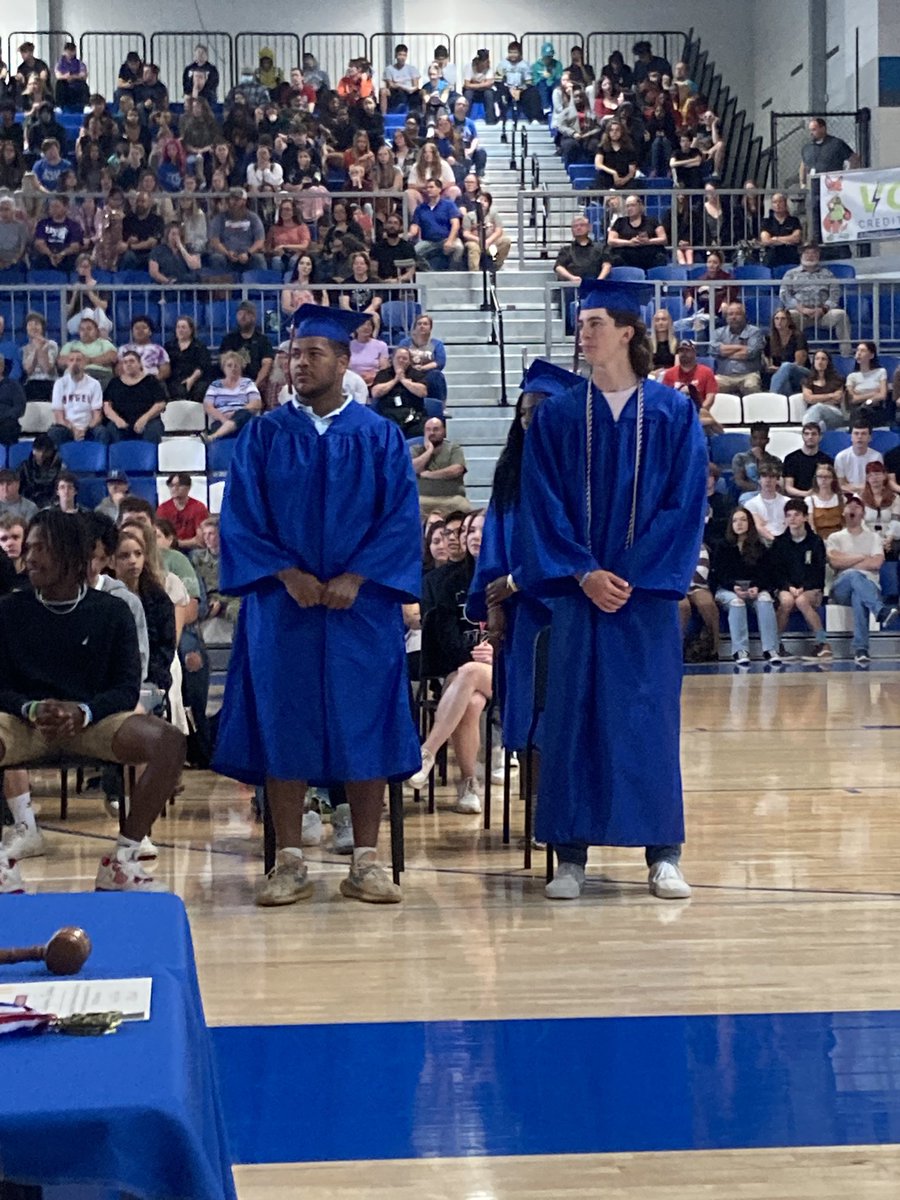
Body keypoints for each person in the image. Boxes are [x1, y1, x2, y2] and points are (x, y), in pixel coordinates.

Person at [214, 305, 421, 906]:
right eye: (292, 354)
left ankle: (366, 861)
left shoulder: (378, 435)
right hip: (284, 608)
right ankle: (288, 860)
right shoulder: (265, 433)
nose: (298, 364)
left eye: (311, 354)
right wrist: (285, 574)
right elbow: (241, 517)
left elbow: (401, 520)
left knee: (366, 726)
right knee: (286, 725)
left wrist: (359, 576)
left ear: (340, 361)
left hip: (363, 610)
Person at [517, 278, 707, 901]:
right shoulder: (560, 416)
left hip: (644, 600)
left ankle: (663, 854)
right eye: (581, 321)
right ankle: (570, 855)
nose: (584, 330)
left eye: (595, 320)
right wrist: (583, 572)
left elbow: (684, 506)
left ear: (628, 330)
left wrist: (627, 574)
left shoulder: (675, 414)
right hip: (579, 596)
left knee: (647, 718)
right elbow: (540, 504)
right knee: (572, 716)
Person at [0, 509, 185, 895]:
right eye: (28, 548)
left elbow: (125, 689)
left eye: (40, 548)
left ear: (70, 554)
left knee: (168, 741)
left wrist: (83, 712)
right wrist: (31, 708)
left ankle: (124, 860)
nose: (28, 558)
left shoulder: (113, 610)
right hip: (25, 720)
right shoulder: (10, 610)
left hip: (93, 720)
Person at [466, 360, 579, 773]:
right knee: (527, 710)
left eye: (541, 411)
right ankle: (537, 814)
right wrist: (495, 603)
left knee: (566, 709)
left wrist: (517, 581)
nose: (531, 421)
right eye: (524, 414)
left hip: (570, 605)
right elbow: (494, 541)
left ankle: (567, 815)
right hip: (524, 615)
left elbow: (573, 546)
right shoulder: (510, 473)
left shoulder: (580, 474)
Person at [407, 509, 491, 814]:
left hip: (508, 670)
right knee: (470, 700)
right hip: (466, 669)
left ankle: (427, 751)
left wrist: (496, 649)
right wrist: (472, 655)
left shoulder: (508, 575)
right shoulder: (447, 580)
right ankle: (469, 783)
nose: (474, 537)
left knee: (467, 675)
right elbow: (444, 636)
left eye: (482, 530)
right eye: (469, 531)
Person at [826, 494, 893, 667]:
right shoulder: (835, 537)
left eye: (857, 507)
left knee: (859, 596)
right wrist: (862, 557)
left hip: (869, 586)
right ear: (843, 512)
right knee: (854, 577)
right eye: (849, 507)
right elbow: (834, 562)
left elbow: (877, 563)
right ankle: (879, 610)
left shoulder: (874, 537)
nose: (853, 509)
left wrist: (847, 560)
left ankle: (861, 649)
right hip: (841, 587)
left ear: (863, 513)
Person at [711, 507, 780, 666]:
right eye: (735, 520)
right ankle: (740, 650)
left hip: (754, 588)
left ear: (749, 523)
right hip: (728, 588)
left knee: (765, 600)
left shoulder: (759, 547)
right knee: (737, 603)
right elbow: (719, 574)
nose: (739, 524)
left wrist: (757, 587)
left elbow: (766, 573)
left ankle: (771, 649)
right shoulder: (723, 546)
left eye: (743, 520)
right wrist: (733, 587)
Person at [767, 499, 830, 659]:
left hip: (811, 588)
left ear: (805, 517)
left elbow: (818, 570)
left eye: (796, 515)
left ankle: (823, 643)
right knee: (787, 601)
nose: (792, 518)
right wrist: (788, 587)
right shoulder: (779, 542)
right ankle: (776, 645)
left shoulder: (815, 542)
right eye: (789, 515)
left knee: (802, 601)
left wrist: (804, 587)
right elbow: (776, 571)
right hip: (786, 587)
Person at [779, 243, 852, 358]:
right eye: (807, 253)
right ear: (801, 255)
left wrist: (823, 309)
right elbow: (784, 294)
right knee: (786, 317)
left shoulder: (827, 274)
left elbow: (835, 295)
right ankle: (790, 356)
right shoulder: (791, 274)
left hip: (824, 313)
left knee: (841, 315)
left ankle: (847, 356)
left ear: (818, 255)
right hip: (800, 313)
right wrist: (801, 309)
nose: (810, 256)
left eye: (814, 253)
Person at [102, 351, 167, 444]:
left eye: (132, 361)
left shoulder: (151, 381)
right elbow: (107, 405)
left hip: (147, 422)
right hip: (122, 423)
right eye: (125, 362)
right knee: (111, 428)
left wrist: (144, 419)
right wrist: (117, 420)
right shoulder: (114, 383)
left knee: (155, 428)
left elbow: (160, 404)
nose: (128, 364)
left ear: (140, 364)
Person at [409, 416, 468, 514]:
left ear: (444, 431)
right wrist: (429, 451)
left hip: (452, 499)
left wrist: (428, 474)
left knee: (464, 507)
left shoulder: (453, 448)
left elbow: (456, 470)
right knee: (410, 510)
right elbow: (413, 468)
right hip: (422, 500)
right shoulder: (415, 449)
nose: (432, 433)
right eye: (428, 430)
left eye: (436, 429)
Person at [203, 350, 263, 442]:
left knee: (243, 415)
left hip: (243, 420)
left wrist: (235, 414)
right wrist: (224, 419)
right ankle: (222, 433)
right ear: (224, 368)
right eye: (229, 365)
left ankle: (214, 436)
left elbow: (256, 403)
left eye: (236, 366)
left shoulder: (247, 383)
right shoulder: (215, 385)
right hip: (221, 419)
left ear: (241, 368)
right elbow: (208, 406)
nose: (233, 369)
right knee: (220, 427)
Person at [49, 350, 104, 446]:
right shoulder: (60, 383)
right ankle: (59, 460)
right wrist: (73, 429)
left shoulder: (94, 384)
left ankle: (100, 460)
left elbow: (97, 416)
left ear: (84, 363)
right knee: (54, 432)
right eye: (71, 360)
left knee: (102, 432)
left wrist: (84, 430)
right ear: (67, 364)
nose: (75, 363)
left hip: (89, 427)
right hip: (67, 427)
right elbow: (59, 416)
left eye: (78, 360)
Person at [370, 347, 428, 438]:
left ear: (409, 361)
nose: (401, 360)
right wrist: (395, 380)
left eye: (405, 358)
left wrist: (404, 380)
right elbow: (375, 393)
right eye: (398, 358)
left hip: (413, 417)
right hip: (388, 416)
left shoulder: (416, 374)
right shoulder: (383, 374)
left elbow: (422, 392)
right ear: (392, 359)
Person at [711, 302, 766, 397]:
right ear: (726, 317)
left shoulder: (754, 331)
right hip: (724, 376)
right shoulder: (718, 333)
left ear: (744, 316)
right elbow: (718, 350)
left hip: (748, 374)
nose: (734, 317)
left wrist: (726, 352)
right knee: (711, 386)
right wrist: (741, 347)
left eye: (737, 314)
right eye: (730, 314)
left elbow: (750, 353)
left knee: (751, 385)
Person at [409, 177, 463, 271]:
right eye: (427, 188)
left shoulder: (448, 205)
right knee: (414, 252)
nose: (428, 190)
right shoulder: (421, 208)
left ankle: (452, 273)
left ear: (439, 189)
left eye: (431, 187)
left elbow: (455, 224)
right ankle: (430, 272)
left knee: (459, 247)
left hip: (446, 238)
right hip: (429, 241)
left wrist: (450, 241)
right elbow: (415, 226)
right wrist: (408, 234)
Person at [218, 301, 274, 392]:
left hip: (256, 383)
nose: (243, 317)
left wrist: (255, 385)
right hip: (232, 383)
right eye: (240, 313)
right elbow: (224, 363)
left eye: (247, 313)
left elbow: (267, 364)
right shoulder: (229, 339)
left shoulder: (263, 340)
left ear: (254, 317)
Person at [553, 215, 611, 286]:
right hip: (573, 286)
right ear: (572, 230)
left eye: (582, 225)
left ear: (589, 227)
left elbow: (607, 265)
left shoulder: (601, 247)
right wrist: (572, 278)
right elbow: (558, 267)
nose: (578, 228)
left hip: (596, 285)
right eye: (575, 226)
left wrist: (599, 281)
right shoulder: (565, 250)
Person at [157, 473, 210, 549]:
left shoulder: (198, 507)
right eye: (171, 485)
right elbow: (159, 536)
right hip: (170, 548)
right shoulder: (163, 508)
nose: (175, 488)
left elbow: (200, 540)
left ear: (188, 487)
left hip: (193, 549)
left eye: (179, 485)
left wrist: (176, 543)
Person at [765, 308, 809, 398]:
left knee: (786, 366)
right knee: (784, 382)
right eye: (776, 319)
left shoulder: (797, 336)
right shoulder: (770, 338)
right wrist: (776, 369)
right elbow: (769, 364)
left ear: (789, 321)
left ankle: (770, 398)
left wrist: (780, 369)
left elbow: (799, 364)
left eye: (783, 319)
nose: (779, 321)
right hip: (782, 375)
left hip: (801, 373)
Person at [731, 422, 782, 498]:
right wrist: (760, 489)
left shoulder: (775, 460)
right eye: (755, 438)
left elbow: (776, 481)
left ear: (767, 441)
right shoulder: (740, 458)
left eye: (762, 439)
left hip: (770, 493)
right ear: (750, 440)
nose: (758, 442)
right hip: (749, 494)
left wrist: (760, 459)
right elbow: (739, 482)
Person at [845, 342, 890, 426]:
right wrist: (873, 394)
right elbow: (853, 399)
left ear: (871, 355)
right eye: (857, 350)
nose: (858, 353)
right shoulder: (851, 376)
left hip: (875, 408)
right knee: (859, 412)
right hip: (857, 408)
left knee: (864, 410)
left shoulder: (881, 372)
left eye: (863, 351)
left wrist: (868, 401)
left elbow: (882, 395)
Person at [743, 464, 788, 545]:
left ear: (777, 480)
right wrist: (776, 541)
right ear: (759, 480)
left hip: (785, 540)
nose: (768, 480)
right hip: (762, 542)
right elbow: (759, 527)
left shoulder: (787, 502)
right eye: (764, 476)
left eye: (771, 477)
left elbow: (788, 524)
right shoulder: (750, 504)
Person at [802, 349, 846, 431]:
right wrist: (830, 395)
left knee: (819, 407)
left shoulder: (838, 380)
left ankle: (807, 433)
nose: (820, 362)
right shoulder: (808, 380)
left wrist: (816, 399)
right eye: (817, 359)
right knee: (820, 423)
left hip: (834, 413)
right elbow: (809, 399)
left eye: (823, 359)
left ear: (828, 362)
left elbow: (837, 398)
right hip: (813, 413)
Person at [835, 420, 883, 493]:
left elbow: (877, 483)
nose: (859, 437)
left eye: (863, 434)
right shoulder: (841, 457)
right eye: (856, 433)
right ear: (851, 437)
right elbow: (841, 485)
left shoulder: (876, 457)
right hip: (848, 494)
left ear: (869, 438)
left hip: (871, 494)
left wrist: (855, 488)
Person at [806, 462, 845, 540]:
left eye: (827, 477)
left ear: (833, 479)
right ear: (815, 479)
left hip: (839, 538)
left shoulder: (841, 498)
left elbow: (845, 522)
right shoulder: (810, 500)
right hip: (819, 538)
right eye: (820, 477)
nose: (823, 480)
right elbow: (811, 525)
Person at [0, 354, 25, 446]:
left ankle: (7, 458)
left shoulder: (13, 385)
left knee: (9, 426)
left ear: (1, 367)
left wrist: (4, 416)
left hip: (6, 422)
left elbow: (20, 408)